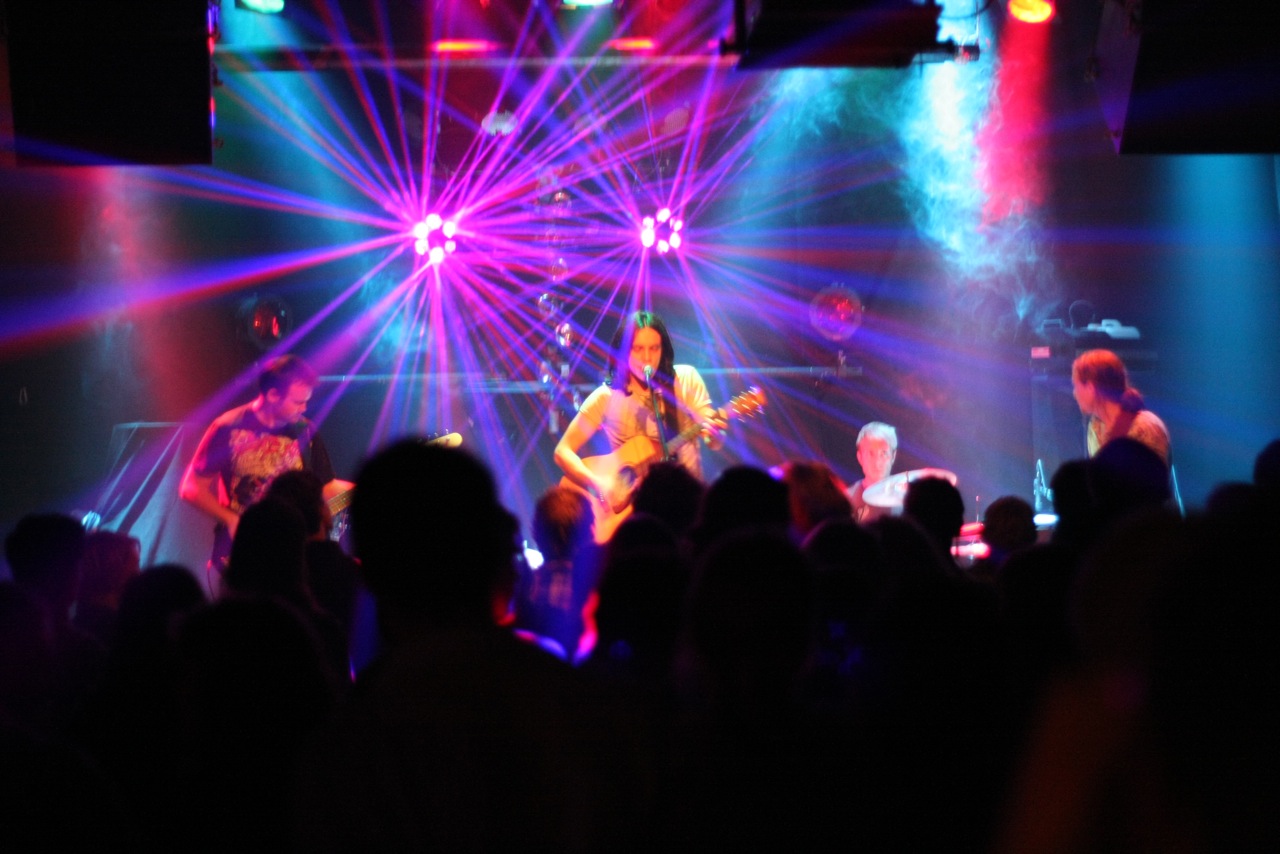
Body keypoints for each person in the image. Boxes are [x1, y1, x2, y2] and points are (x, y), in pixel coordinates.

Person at [179, 354, 354, 594]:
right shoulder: (228, 427)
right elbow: (191, 488)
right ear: (272, 395)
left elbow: (325, 487)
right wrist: (231, 519)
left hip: (289, 557)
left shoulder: (305, 431)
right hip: (240, 555)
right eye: (297, 402)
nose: (304, 408)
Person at [554, 311, 727, 514]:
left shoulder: (686, 379)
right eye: (638, 349)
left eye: (654, 348)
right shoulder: (606, 397)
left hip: (688, 503)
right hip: (633, 513)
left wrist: (715, 434)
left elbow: (713, 440)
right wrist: (598, 484)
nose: (647, 358)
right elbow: (562, 452)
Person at [1071, 349, 1170, 465]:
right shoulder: (1095, 427)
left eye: (1076, 385)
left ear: (1090, 388)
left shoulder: (1146, 428)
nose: (1074, 393)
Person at [846, 421, 898, 524]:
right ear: (860, 457)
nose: (877, 462)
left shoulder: (908, 499)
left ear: (893, 456)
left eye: (884, 453)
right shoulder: (847, 500)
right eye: (871, 454)